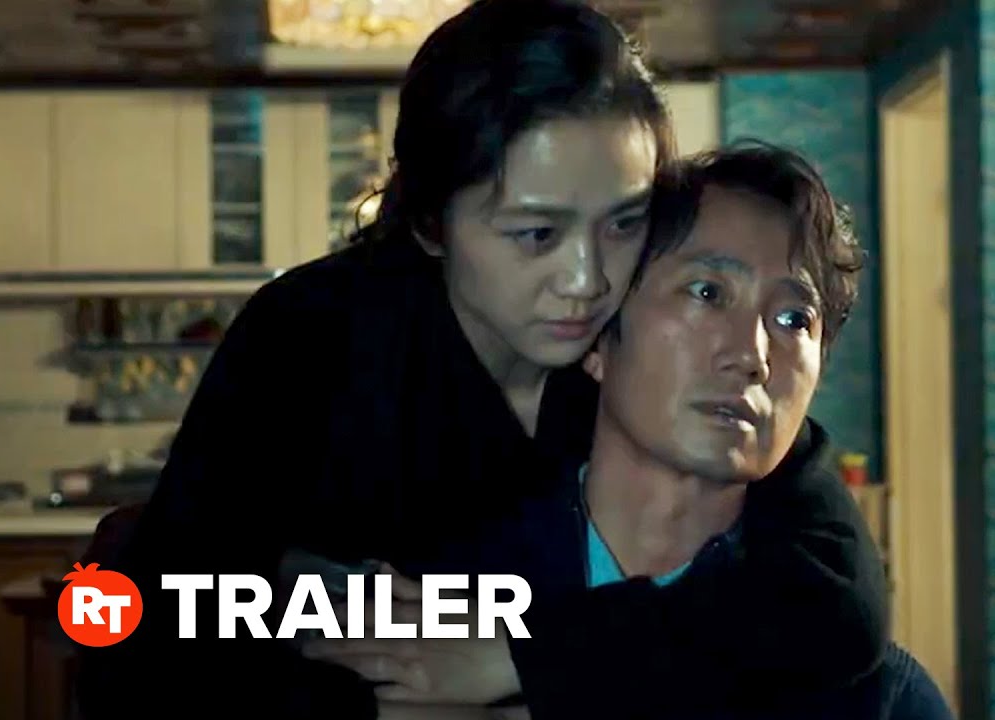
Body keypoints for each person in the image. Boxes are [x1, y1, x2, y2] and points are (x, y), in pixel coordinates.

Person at [74, 1, 887, 718]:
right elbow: (162, 624)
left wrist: (522, 659)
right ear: (432, 223)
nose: (588, 280)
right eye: (536, 232)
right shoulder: (313, 335)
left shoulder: (645, 326)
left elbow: (835, 597)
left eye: (623, 221)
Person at [304, 143, 947, 720]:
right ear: (597, 335)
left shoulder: (867, 686)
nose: (752, 355)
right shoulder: (429, 601)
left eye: (793, 319)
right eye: (707, 292)